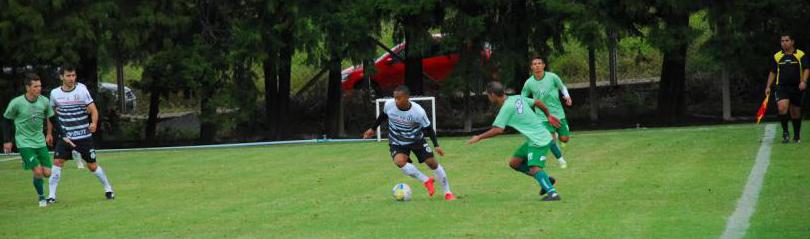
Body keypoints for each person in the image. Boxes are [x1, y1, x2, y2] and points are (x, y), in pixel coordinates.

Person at [467, 81, 561, 201]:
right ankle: (547, 179)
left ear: (492, 95)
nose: (489, 98)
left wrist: (479, 137)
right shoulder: (517, 98)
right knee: (515, 163)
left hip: (538, 139)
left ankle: (553, 194)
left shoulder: (506, 108)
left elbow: (498, 130)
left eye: (488, 95)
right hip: (535, 138)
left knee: (534, 168)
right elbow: (537, 102)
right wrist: (548, 115)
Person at [363, 85, 456, 200]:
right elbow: (383, 116)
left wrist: (436, 145)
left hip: (416, 140)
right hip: (397, 141)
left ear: (406, 97)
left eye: (398, 98)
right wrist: (372, 129)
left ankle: (448, 193)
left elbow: (428, 128)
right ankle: (426, 181)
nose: (396, 100)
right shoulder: (389, 105)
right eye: (395, 97)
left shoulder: (418, 112)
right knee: (399, 162)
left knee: (432, 163)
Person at [47, 65, 115, 203]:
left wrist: (94, 123)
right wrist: (49, 133)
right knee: (57, 162)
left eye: (73, 75)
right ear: (61, 77)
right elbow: (51, 115)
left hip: (83, 136)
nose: (71, 78)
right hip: (65, 136)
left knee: (92, 166)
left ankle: (108, 189)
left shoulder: (82, 90)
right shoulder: (54, 93)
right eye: (68, 76)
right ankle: (51, 196)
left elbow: (93, 110)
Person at [2, 73, 59, 207]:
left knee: (47, 173)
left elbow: (52, 119)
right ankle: (41, 198)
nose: (39, 89)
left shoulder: (44, 101)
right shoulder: (16, 103)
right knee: (38, 171)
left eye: (40, 86)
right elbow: (6, 120)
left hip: (39, 142)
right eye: (35, 86)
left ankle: (29, 163)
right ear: (28, 87)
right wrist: (7, 140)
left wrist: (63, 133)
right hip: (24, 142)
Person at [521, 56, 572, 168]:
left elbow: (562, 87)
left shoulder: (552, 77)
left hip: (558, 113)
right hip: (542, 116)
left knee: (565, 138)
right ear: (531, 67)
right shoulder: (529, 83)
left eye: (539, 63)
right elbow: (523, 98)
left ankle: (561, 137)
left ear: (543, 65)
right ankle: (561, 160)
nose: (537, 65)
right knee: (549, 139)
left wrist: (567, 96)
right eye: (534, 64)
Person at [765, 34, 809, 143]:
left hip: (796, 88)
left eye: (787, 40)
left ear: (792, 42)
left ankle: (797, 136)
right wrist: (768, 86)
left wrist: (803, 81)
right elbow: (772, 72)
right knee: (782, 108)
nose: (784, 43)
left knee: (795, 112)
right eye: (782, 41)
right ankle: (785, 133)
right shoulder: (777, 56)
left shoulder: (800, 54)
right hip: (781, 87)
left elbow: (806, 69)